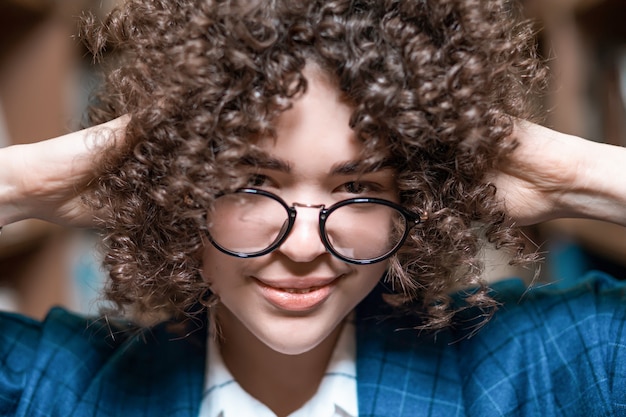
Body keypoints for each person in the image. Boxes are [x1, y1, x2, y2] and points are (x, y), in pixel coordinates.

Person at [1, 0, 626, 416]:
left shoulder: (531, 369)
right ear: (181, 188)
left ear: (413, 200)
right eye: (253, 183)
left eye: (357, 189)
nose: (303, 247)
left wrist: (579, 176)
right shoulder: (62, 389)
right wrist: (21, 182)